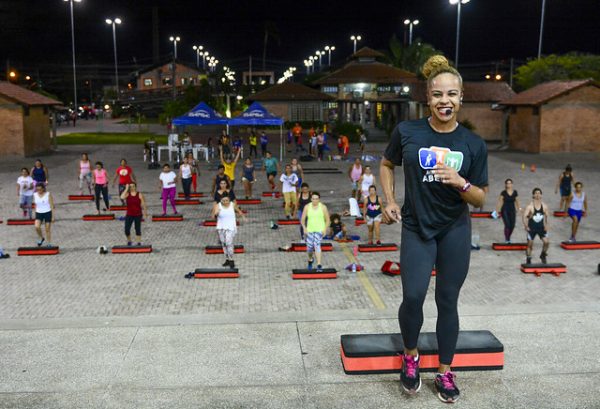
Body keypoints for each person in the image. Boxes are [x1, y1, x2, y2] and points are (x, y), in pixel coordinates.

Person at [380, 55, 489, 403]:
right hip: (416, 227)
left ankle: (444, 371)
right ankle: (410, 357)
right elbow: (386, 163)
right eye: (439, 95)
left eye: (452, 94)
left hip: (454, 230)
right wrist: (389, 200)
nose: (446, 101)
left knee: (447, 300)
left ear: (461, 98)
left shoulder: (474, 144)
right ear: (427, 98)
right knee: (413, 296)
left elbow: (480, 199)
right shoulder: (407, 132)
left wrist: (460, 182)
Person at [211, 195, 245, 268]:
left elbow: (239, 211)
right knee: (223, 243)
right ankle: (227, 259)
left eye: (227, 200)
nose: (225, 202)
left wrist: (243, 217)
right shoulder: (218, 206)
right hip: (221, 227)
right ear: (221, 201)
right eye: (223, 201)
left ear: (229, 200)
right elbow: (213, 216)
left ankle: (231, 260)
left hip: (230, 227)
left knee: (229, 243)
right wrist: (216, 213)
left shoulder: (233, 205)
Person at [301, 191, 330, 272]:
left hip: (319, 230)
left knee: (317, 245)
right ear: (311, 199)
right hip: (310, 230)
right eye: (313, 199)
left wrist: (325, 229)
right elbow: (302, 220)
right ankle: (310, 259)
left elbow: (328, 220)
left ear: (319, 199)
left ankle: (319, 264)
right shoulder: (307, 207)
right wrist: (304, 228)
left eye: (316, 199)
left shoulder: (323, 207)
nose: (315, 201)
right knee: (309, 248)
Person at [523, 187, 550, 264]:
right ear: (533, 195)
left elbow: (547, 216)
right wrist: (525, 225)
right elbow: (524, 216)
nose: (537, 195)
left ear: (541, 195)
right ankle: (528, 258)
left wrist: (547, 225)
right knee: (530, 245)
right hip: (531, 228)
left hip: (541, 228)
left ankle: (543, 255)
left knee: (547, 242)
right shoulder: (530, 206)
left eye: (539, 193)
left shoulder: (544, 206)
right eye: (536, 193)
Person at [495, 179, 521, 243]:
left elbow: (517, 201)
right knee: (507, 225)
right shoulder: (503, 193)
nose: (508, 185)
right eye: (507, 183)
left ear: (512, 184)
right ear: (506, 184)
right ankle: (507, 239)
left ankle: (508, 237)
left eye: (510, 183)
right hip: (504, 210)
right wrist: (497, 211)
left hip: (512, 210)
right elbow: (500, 202)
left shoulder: (515, 192)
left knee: (512, 225)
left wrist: (519, 208)